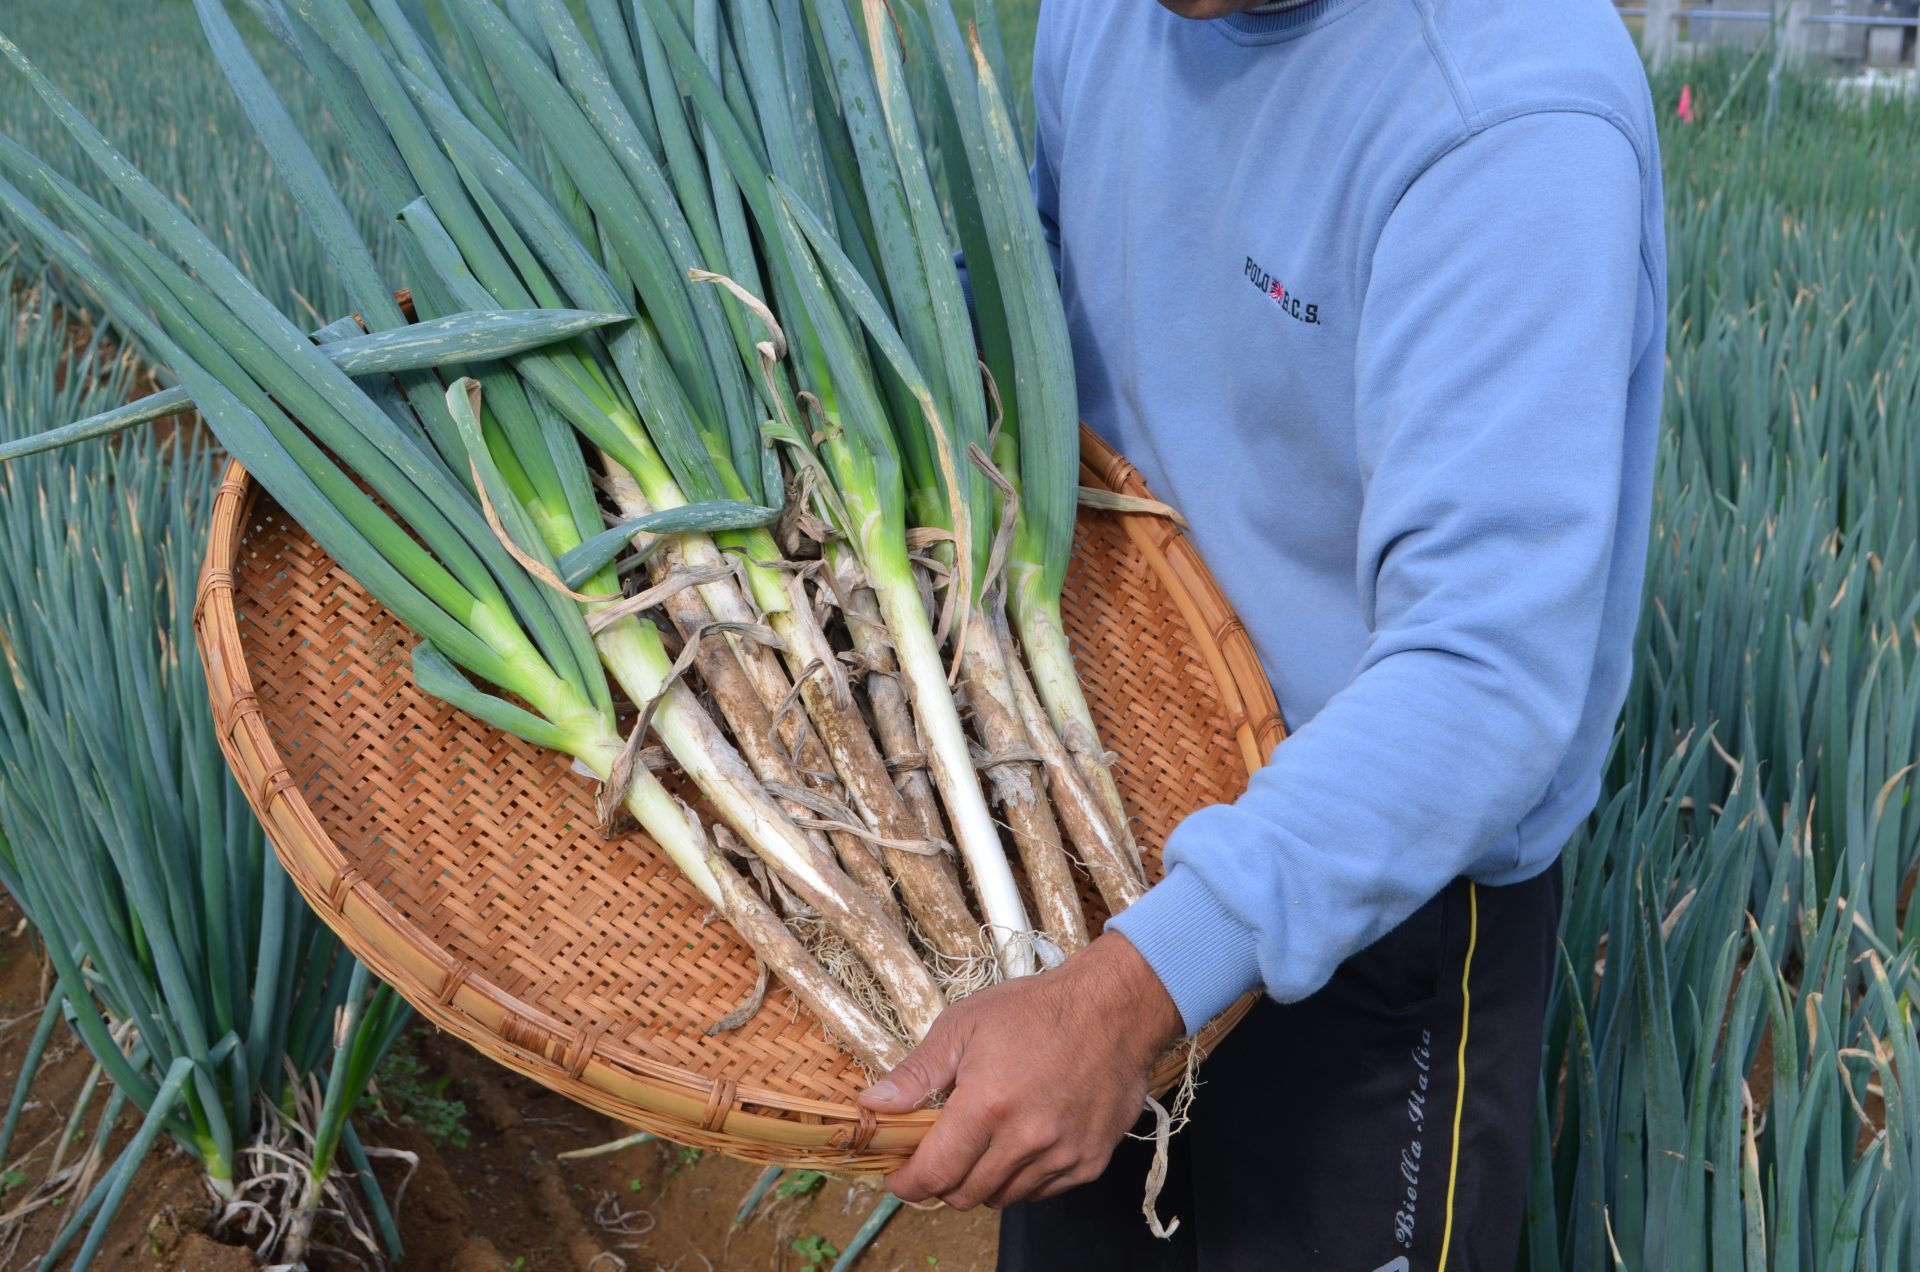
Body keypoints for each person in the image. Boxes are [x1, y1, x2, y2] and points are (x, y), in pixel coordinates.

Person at [857, 0, 1667, 1266]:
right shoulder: (1109, 16)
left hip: (1378, 894)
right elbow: (1027, 306)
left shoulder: (1508, 106)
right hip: (1105, 833)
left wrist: (1128, 997)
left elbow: (1484, 673)